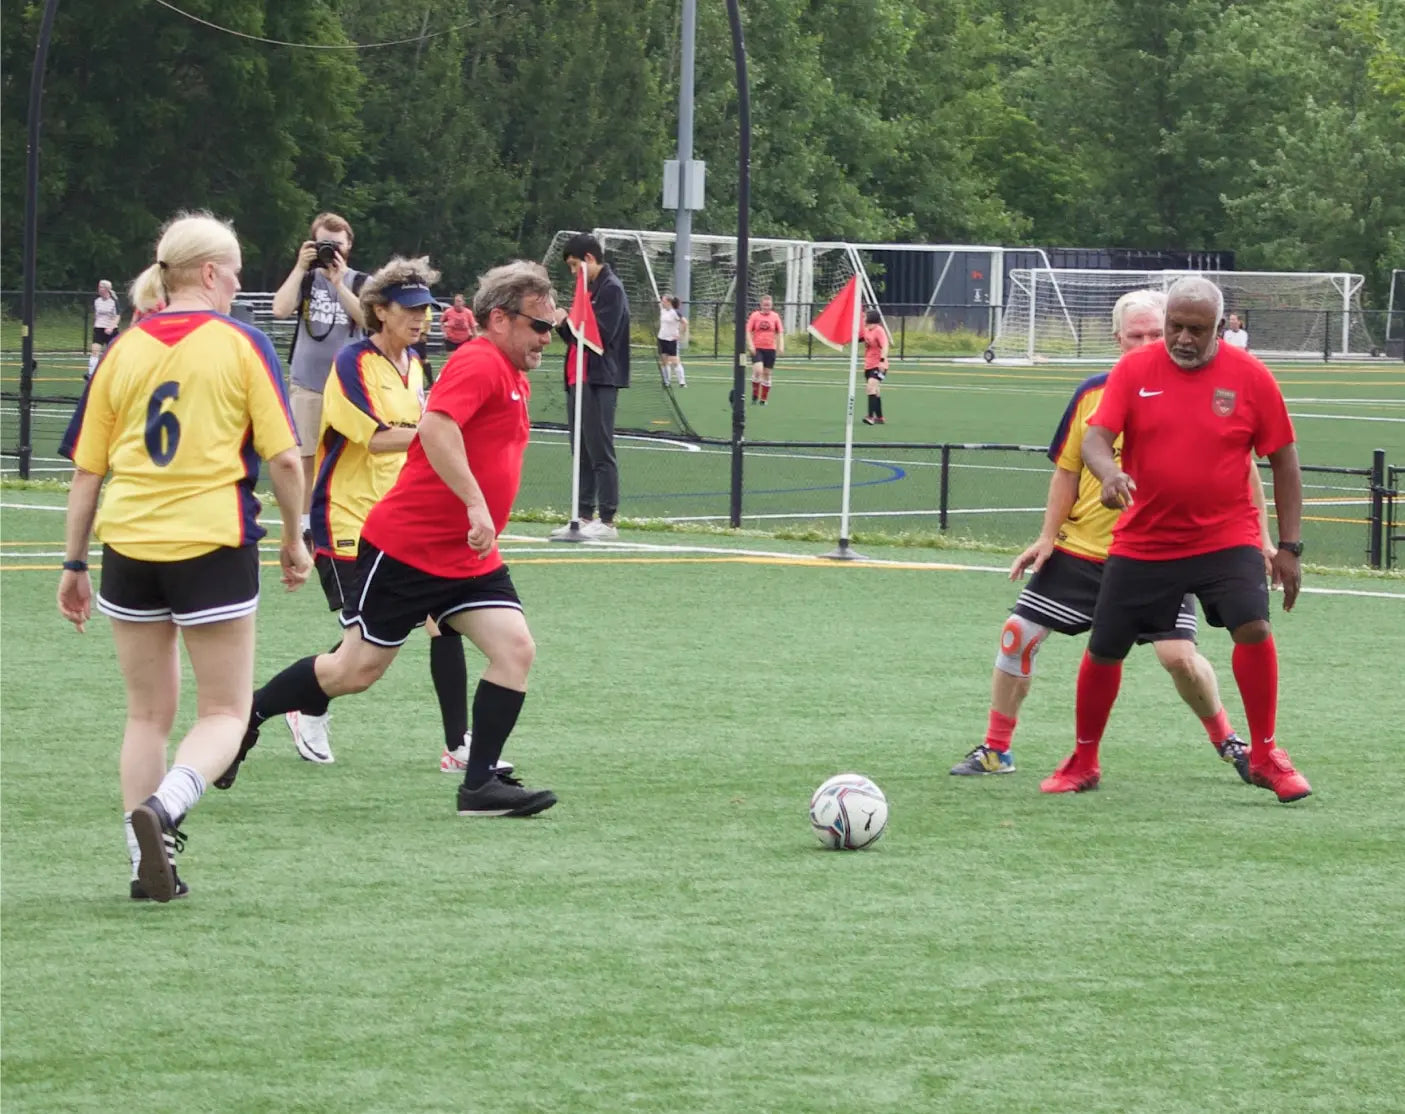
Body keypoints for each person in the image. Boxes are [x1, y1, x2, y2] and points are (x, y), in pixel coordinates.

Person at [217, 261, 558, 819]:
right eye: (539, 326)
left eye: (553, 326)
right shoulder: (479, 361)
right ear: (499, 319)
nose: (549, 338)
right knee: (353, 672)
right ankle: (247, 719)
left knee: (515, 649)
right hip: (408, 550)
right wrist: (476, 503)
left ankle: (479, 787)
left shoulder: (510, 371)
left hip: (465, 555)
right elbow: (437, 427)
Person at [56, 211, 310, 903]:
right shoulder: (240, 343)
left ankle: (144, 859)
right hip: (210, 541)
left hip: (128, 544)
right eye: (232, 274)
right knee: (226, 712)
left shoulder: (124, 349)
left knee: (146, 716)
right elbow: (284, 457)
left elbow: (87, 473)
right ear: (207, 273)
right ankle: (166, 808)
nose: (237, 286)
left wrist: (74, 563)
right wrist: (296, 536)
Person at [951, 289, 1270, 782]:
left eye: (1153, 332)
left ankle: (1229, 742)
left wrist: (1264, 541)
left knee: (1179, 657)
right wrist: (1046, 536)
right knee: (1019, 635)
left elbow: (1245, 472)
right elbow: (1067, 471)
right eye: (1135, 334)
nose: (1146, 342)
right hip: (1083, 550)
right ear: (1118, 337)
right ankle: (997, 749)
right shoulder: (1092, 394)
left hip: (1162, 551)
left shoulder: (1200, 386)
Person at [1047, 276, 1311, 803]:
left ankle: (1265, 755)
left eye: (1197, 329)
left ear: (1219, 327)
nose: (1184, 339)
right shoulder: (1135, 369)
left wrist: (1289, 546)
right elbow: (1097, 437)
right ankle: (1084, 758)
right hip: (1147, 537)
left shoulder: (1251, 376)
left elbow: (1283, 459)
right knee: (1105, 648)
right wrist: (1110, 473)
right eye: (1175, 327)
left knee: (1253, 626)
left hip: (1225, 534)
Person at [270, 212, 368, 541]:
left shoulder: (358, 281)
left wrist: (339, 283)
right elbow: (280, 309)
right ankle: (305, 525)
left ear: (349, 245)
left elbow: (369, 320)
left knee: (348, 455)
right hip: (308, 382)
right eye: (325, 244)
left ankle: (341, 516)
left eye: (337, 245)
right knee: (305, 455)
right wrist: (300, 267)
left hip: (346, 385)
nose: (331, 251)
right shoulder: (307, 279)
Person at [549, 232, 631, 540]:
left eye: (574, 265)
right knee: (581, 450)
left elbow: (600, 337)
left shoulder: (611, 289)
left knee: (599, 449)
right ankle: (583, 515)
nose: (573, 272)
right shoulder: (587, 289)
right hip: (576, 378)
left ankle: (607, 519)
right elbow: (575, 338)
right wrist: (562, 323)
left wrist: (565, 320)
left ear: (590, 259)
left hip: (599, 379)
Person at [747, 294, 784, 404]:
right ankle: (755, 394)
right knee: (758, 370)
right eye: (765, 305)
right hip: (757, 347)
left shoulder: (775, 316)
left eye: (769, 305)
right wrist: (750, 345)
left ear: (771, 305)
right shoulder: (755, 316)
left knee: (767, 374)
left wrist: (780, 345)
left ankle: (763, 399)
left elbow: (780, 332)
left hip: (770, 348)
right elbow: (748, 331)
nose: (767, 307)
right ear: (761, 305)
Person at [860, 308, 889, 425]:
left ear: (871, 318)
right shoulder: (867, 330)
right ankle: (880, 417)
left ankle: (870, 417)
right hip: (868, 365)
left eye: (865, 317)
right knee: (875, 391)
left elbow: (885, 346)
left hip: (879, 365)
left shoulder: (879, 331)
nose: (863, 318)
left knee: (870, 388)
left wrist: (882, 361)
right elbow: (861, 339)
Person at [88, 279, 120, 378]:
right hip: (99, 329)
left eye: (101, 287)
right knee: (95, 351)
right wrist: (95, 325)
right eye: (99, 287)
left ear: (106, 289)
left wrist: (110, 327)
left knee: (112, 353)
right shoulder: (97, 301)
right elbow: (97, 315)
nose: (99, 289)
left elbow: (117, 316)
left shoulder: (114, 302)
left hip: (111, 330)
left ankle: (115, 373)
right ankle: (91, 374)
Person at [658, 295, 687, 387]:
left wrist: (680, 335)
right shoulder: (662, 311)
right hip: (662, 339)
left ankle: (682, 382)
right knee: (664, 361)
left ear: (668, 302)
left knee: (675, 361)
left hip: (671, 340)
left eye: (663, 301)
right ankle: (667, 382)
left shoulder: (675, 312)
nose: (662, 302)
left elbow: (685, 322)